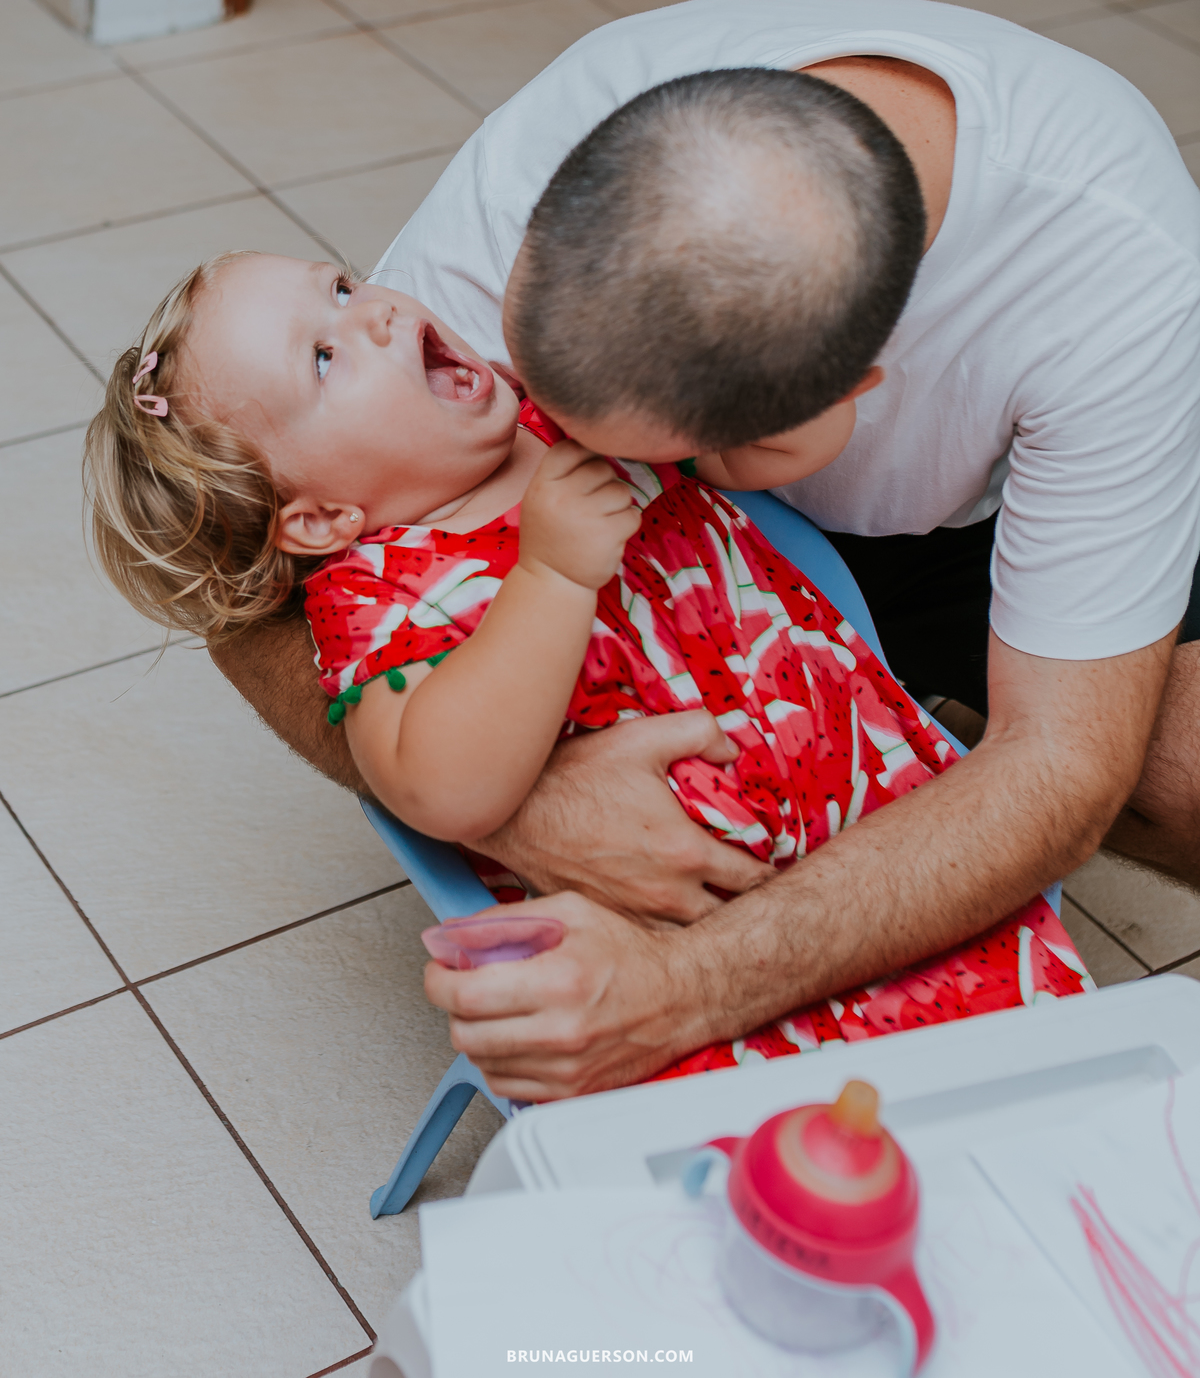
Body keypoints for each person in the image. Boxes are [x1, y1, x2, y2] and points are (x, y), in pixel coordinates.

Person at [210, 0, 1200, 1102]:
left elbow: (1064, 769)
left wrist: (689, 982)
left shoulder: (1121, 282)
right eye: (545, 407)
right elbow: (244, 585)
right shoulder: (551, 162)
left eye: (606, 447)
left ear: (809, 429)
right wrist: (523, 804)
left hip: (985, 525)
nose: (545, 454)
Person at [83, 229, 1089, 1084]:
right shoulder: (377, 599)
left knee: (1026, 1067)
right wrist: (551, 577)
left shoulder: (547, 403)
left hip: (873, 813)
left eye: (342, 288)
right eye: (323, 358)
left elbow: (729, 465)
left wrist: (793, 413)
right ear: (323, 516)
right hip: (681, 925)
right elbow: (441, 787)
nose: (375, 314)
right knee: (819, 1175)